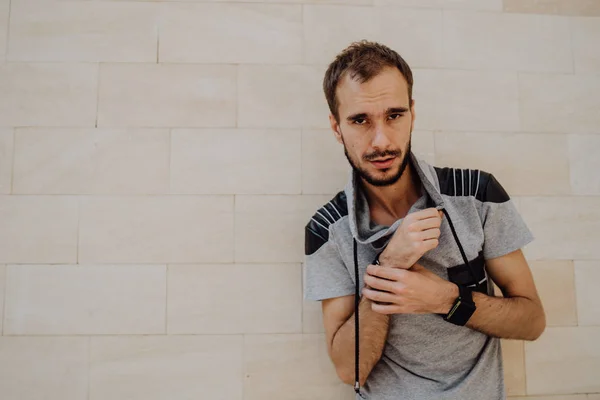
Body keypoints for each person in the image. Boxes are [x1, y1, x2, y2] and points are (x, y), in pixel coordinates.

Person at [303, 40, 546, 400]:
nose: (381, 140)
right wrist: (389, 266)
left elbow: (532, 321)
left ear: (413, 113)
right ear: (336, 127)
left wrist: (446, 299)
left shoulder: (476, 195)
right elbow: (348, 369)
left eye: (394, 115)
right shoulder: (326, 230)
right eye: (360, 120)